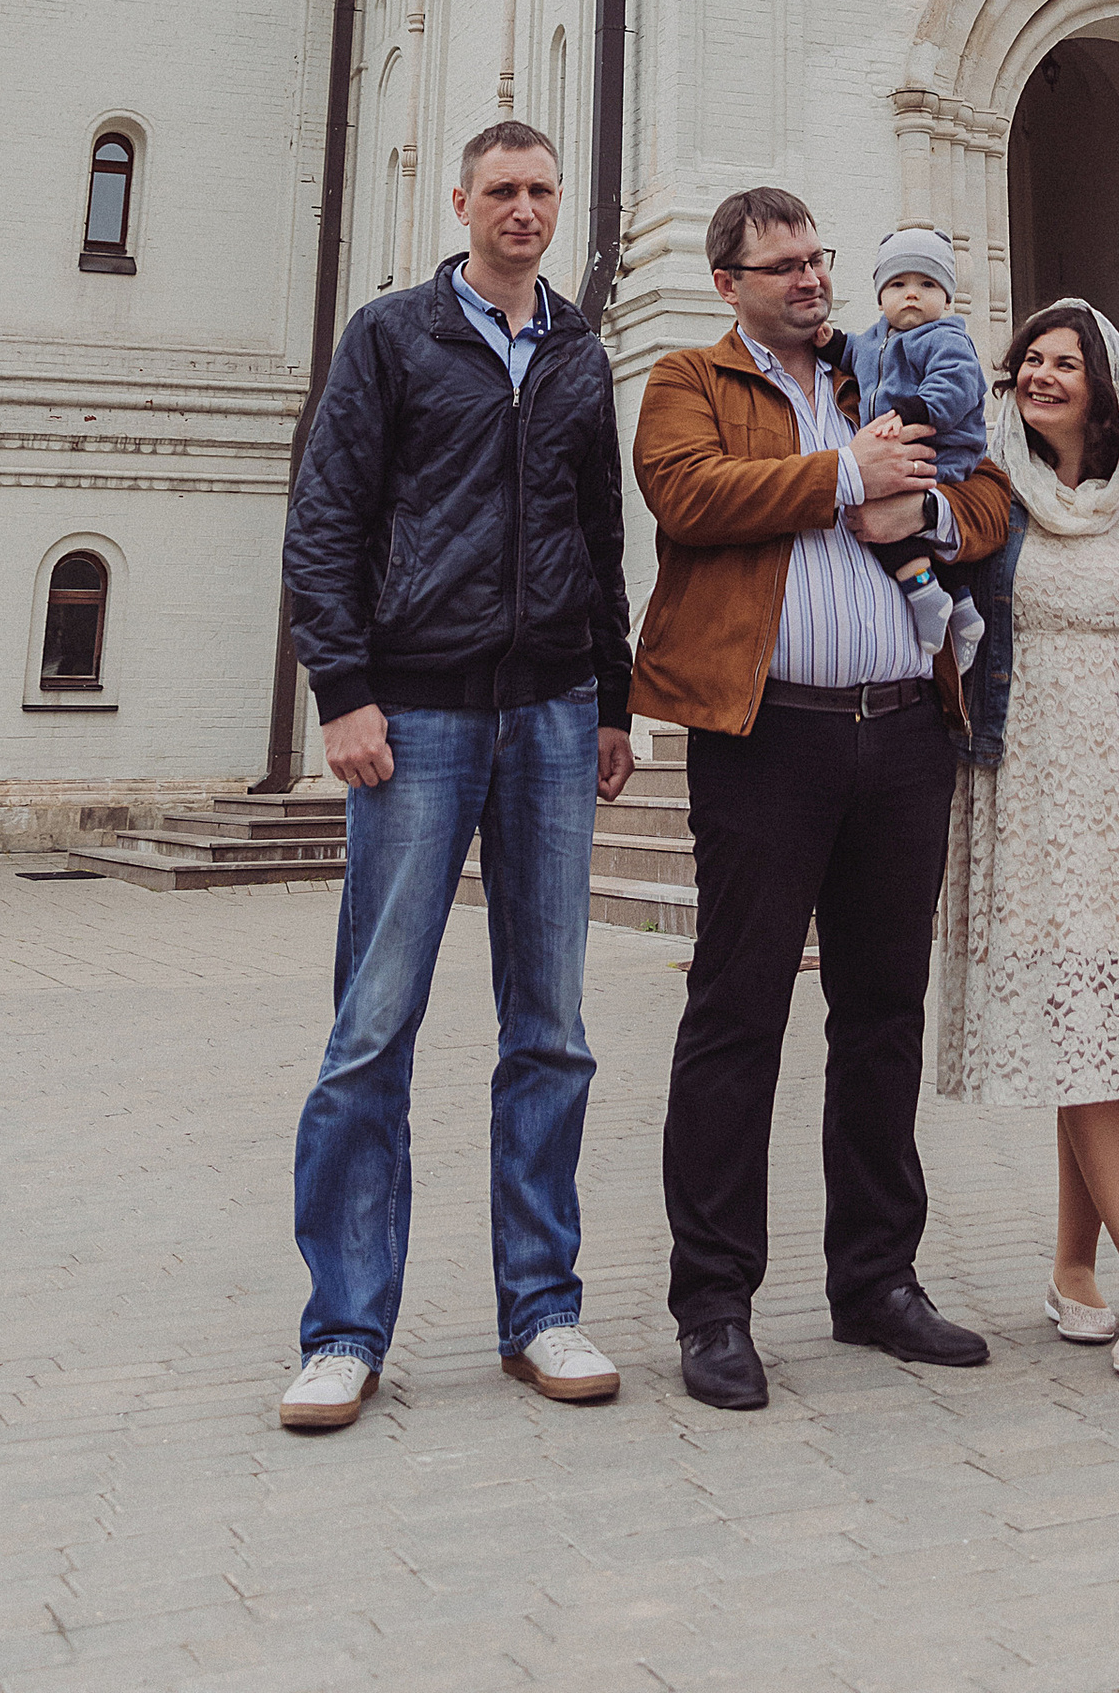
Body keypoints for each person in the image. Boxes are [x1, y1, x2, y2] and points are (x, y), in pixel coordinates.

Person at [277, 118, 635, 1430]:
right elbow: (327, 517)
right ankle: (345, 1331)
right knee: (373, 1025)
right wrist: (344, 692)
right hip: (414, 717)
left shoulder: (583, 351)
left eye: (544, 190)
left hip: (550, 712)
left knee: (551, 1030)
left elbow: (598, 530)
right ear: (463, 202)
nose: (526, 210)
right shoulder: (391, 336)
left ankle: (540, 1310)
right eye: (504, 191)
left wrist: (615, 695)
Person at [633, 186, 1013, 1410]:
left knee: (882, 1014)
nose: (810, 280)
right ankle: (714, 1303)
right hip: (766, 739)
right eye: (782, 265)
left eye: (818, 259)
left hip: (904, 734)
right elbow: (688, 499)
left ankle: (876, 1281)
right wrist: (840, 473)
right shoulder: (691, 381)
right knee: (737, 1015)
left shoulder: (882, 365)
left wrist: (933, 514)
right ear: (728, 283)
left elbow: (989, 493)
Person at [937, 301, 1119, 1379]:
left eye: (1066, 363)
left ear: (1104, 386)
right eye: (1030, 362)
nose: (1044, 376)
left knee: (1084, 1021)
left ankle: (1070, 1269)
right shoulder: (988, 497)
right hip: (1029, 785)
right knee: (1080, 1024)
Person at [842, 224, 991, 670]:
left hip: (942, 450)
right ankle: (963, 611)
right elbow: (849, 352)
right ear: (879, 296)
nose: (912, 294)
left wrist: (915, 411)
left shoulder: (946, 337)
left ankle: (925, 594)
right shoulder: (872, 340)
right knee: (898, 519)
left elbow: (959, 385)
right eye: (898, 284)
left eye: (927, 284)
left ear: (946, 299)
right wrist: (829, 343)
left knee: (879, 518)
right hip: (907, 449)